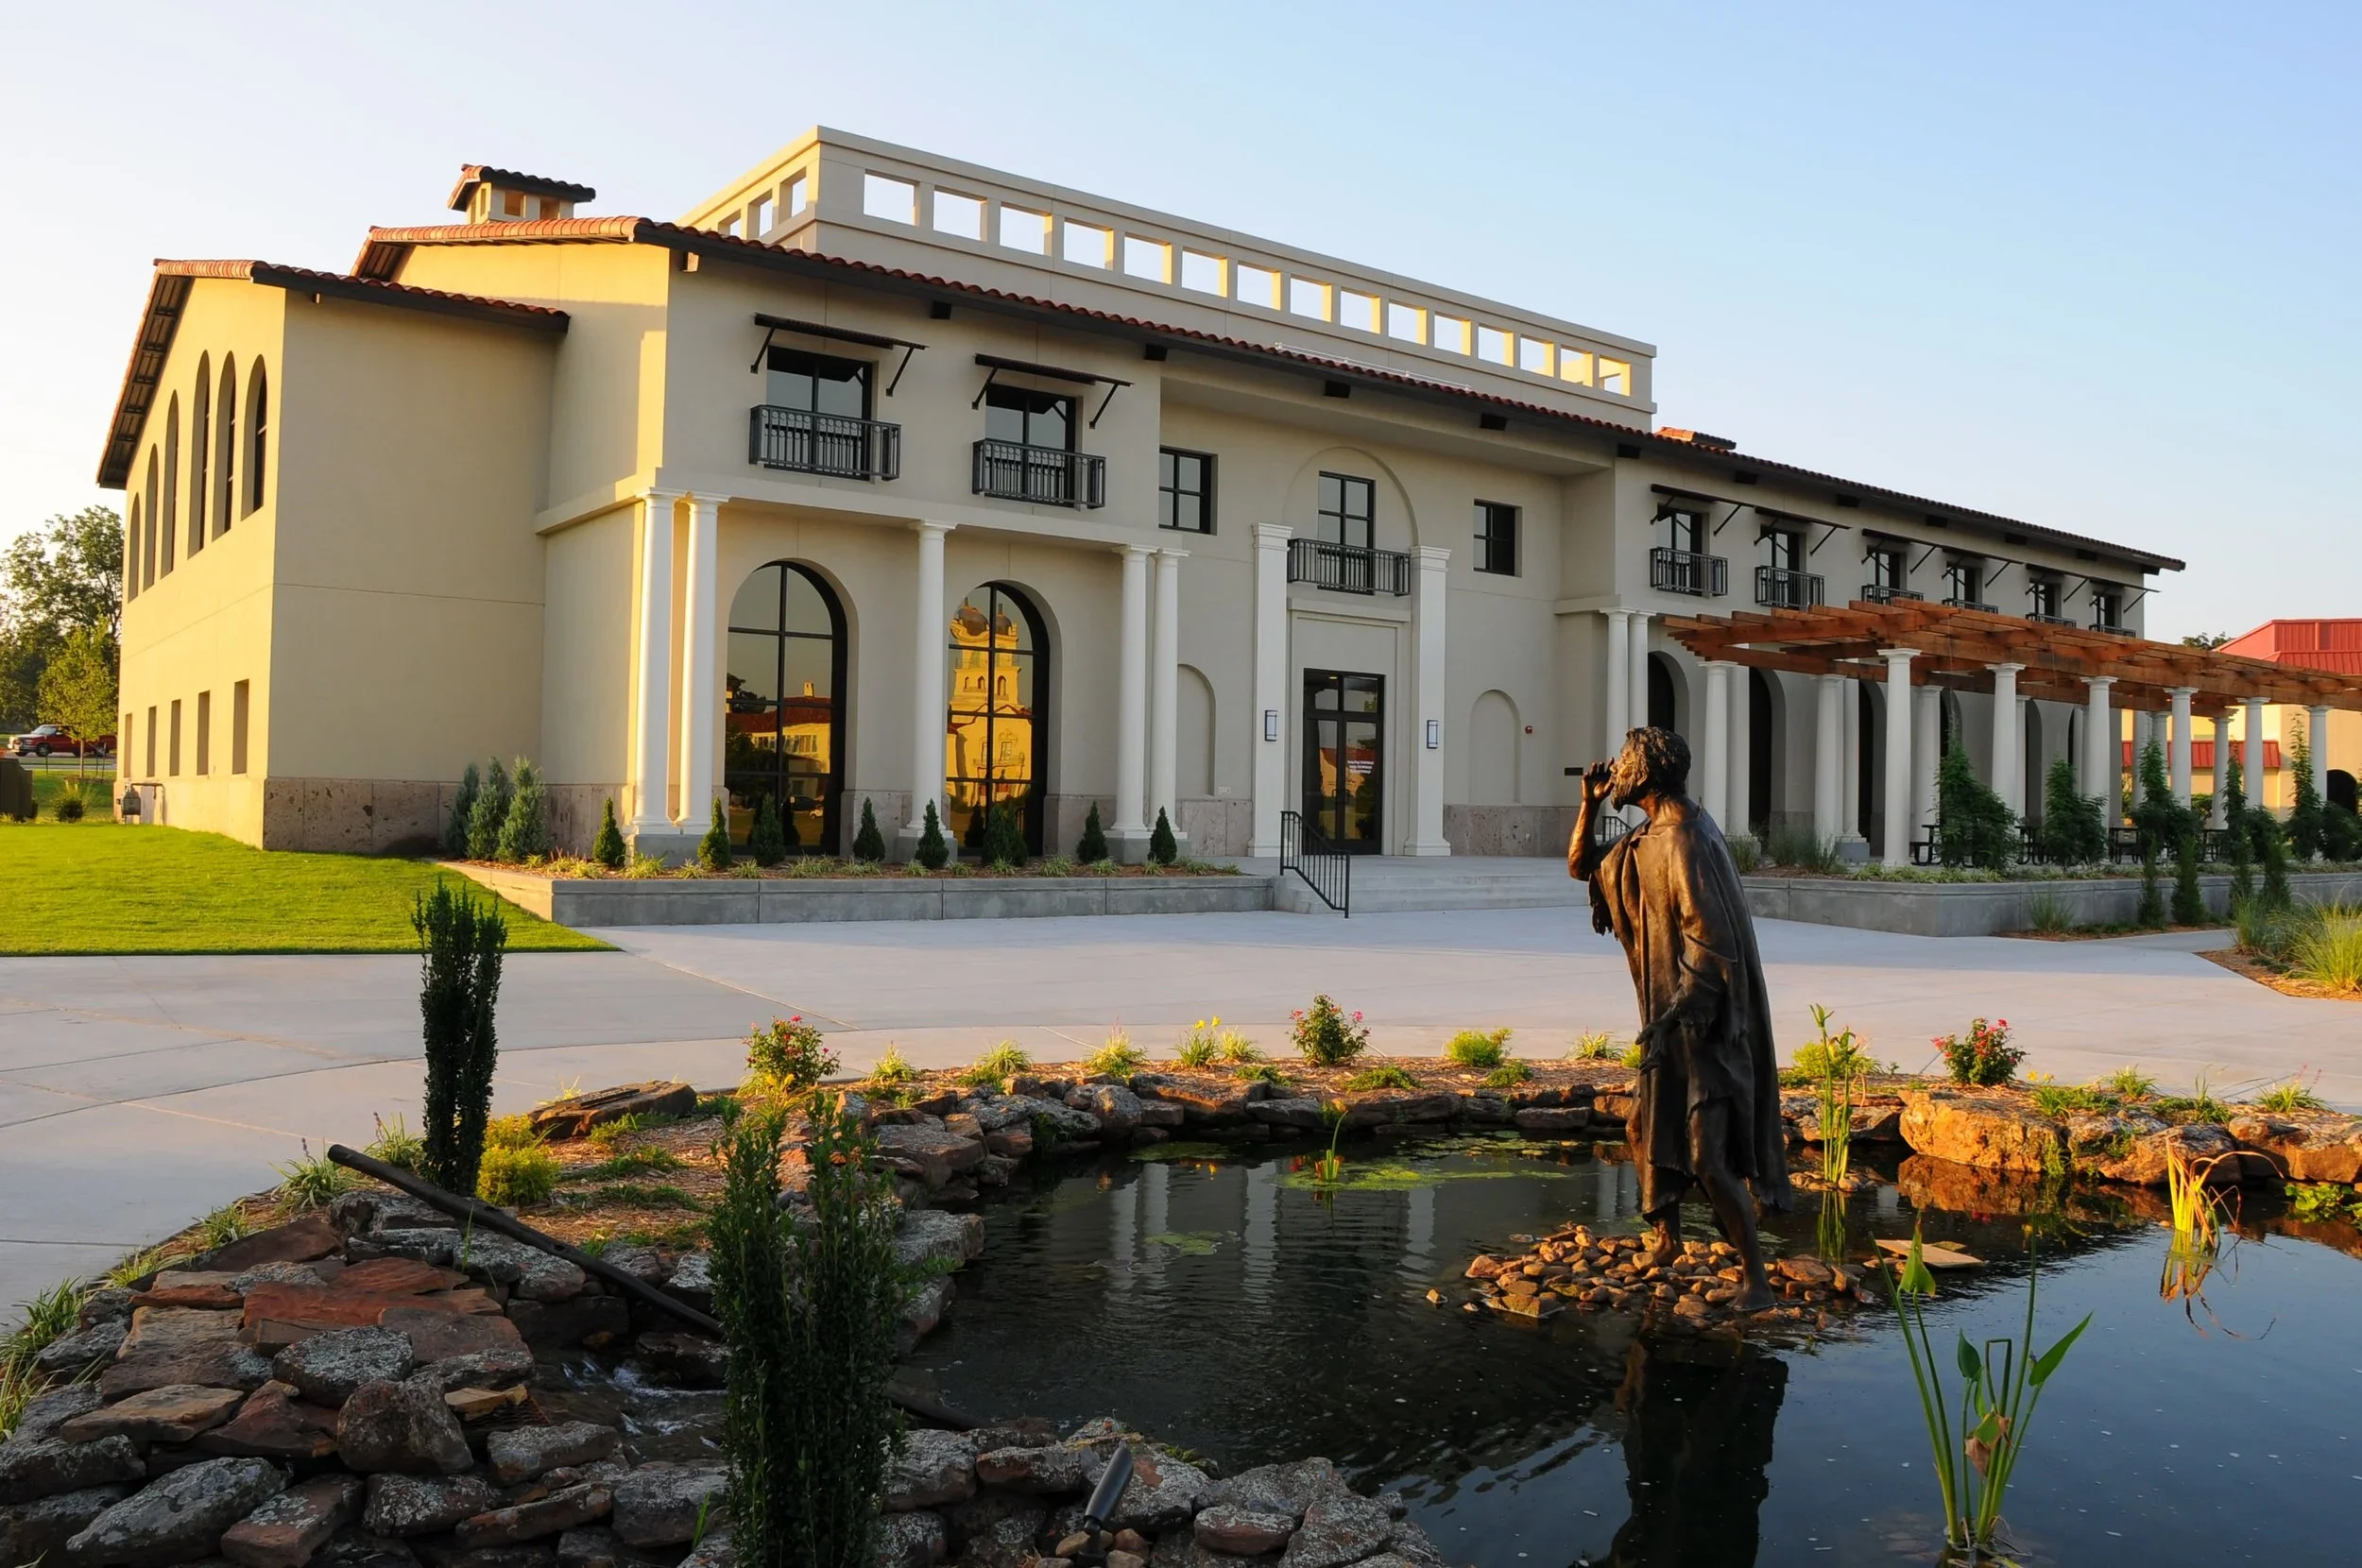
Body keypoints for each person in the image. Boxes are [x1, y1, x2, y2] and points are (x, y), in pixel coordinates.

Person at [1569, 726, 1790, 1311]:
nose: (1612, 770)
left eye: (1621, 763)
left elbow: (1712, 943)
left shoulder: (1686, 839)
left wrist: (1676, 1017)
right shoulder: (1650, 835)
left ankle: (1756, 1282)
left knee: (1709, 1159)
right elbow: (1582, 866)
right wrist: (1589, 805)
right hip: (1670, 1019)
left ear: (1643, 772)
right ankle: (1666, 1238)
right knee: (1643, 1127)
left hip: (1703, 1026)